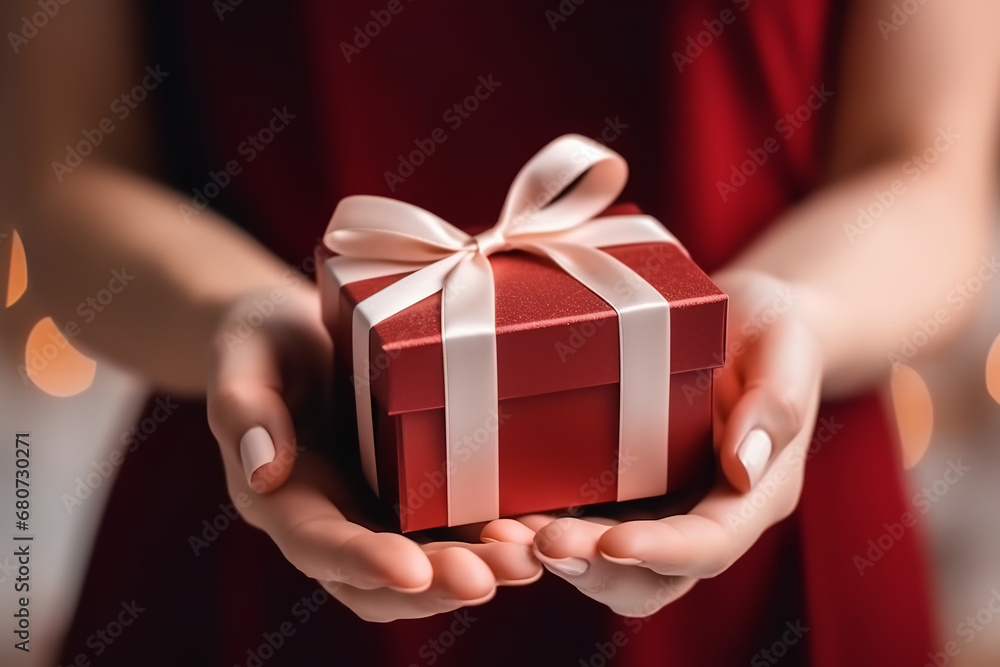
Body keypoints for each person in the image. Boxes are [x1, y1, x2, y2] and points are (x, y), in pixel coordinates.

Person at [7, 0, 999, 664]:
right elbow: (70, 177)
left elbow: (928, 170)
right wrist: (249, 317)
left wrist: (792, 315)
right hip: (266, 476)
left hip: (768, 483)